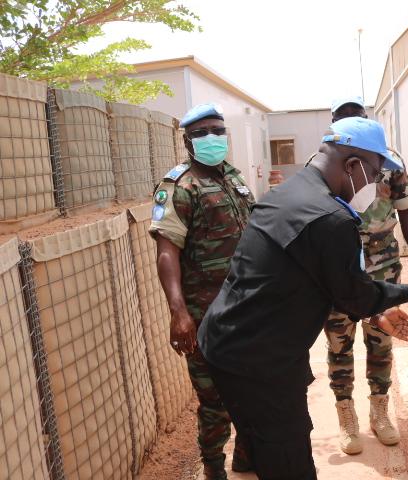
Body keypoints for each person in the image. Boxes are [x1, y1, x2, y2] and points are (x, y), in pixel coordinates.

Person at [197, 117, 408, 480]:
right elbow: (355, 296)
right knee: (289, 458)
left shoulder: (289, 193)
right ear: (352, 165)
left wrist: (374, 312)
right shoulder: (331, 219)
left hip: (227, 341)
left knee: (259, 439)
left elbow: (317, 281)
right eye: (374, 173)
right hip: (260, 362)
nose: (375, 183)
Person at [149, 103, 255, 480]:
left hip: (247, 307)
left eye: (218, 130)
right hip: (206, 314)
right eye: (202, 133)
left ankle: (247, 456)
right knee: (215, 400)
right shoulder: (179, 186)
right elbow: (166, 252)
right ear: (187, 141)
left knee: (252, 386)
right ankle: (213, 467)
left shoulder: (233, 176)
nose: (212, 138)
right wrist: (179, 312)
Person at [322, 96, 408, 454]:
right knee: (339, 342)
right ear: (333, 124)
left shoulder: (388, 162)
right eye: (342, 117)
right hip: (340, 266)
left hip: (383, 267)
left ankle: (380, 411)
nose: (350, 122)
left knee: (381, 339)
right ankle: (346, 414)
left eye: (357, 116)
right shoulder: (326, 164)